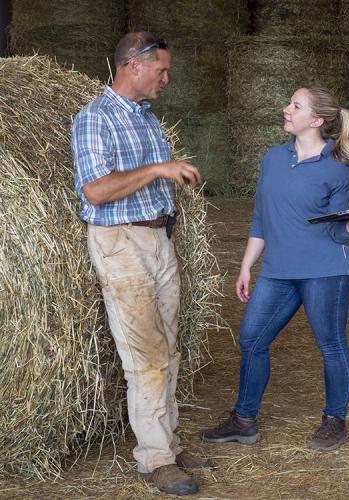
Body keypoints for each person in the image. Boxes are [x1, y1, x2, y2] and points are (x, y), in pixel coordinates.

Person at [201, 85, 349, 452]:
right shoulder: (273, 158)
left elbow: (339, 230)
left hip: (325, 270)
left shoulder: (339, 167)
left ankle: (334, 420)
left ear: (316, 120)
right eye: (289, 101)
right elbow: (262, 217)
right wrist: (246, 267)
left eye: (295, 105)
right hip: (277, 271)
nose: (286, 108)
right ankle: (243, 421)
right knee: (252, 339)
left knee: (331, 344)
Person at [71, 32, 212, 496]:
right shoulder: (95, 118)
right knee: (145, 354)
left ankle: (166, 443)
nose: (167, 79)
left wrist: (171, 177)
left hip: (157, 236)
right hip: (120, 241)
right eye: (161, 70)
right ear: (134, 65)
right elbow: (94, 190)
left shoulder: (147, 119)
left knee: (168, 347)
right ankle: (154, 458)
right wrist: (159, 169)